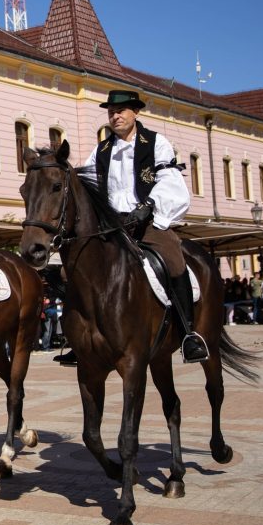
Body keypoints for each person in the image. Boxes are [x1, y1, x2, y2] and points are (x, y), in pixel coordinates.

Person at [83, 89, 208, 363]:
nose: (115, 116)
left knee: (174, 258)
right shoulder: (100, 150)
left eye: (121, 111)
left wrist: (148, 206)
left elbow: (169, 179)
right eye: (111, 112)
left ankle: (189, 333)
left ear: (135, 112)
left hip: (146, 220)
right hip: (112, 225)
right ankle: (82, 337)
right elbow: (88, 187)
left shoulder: (154, 142)